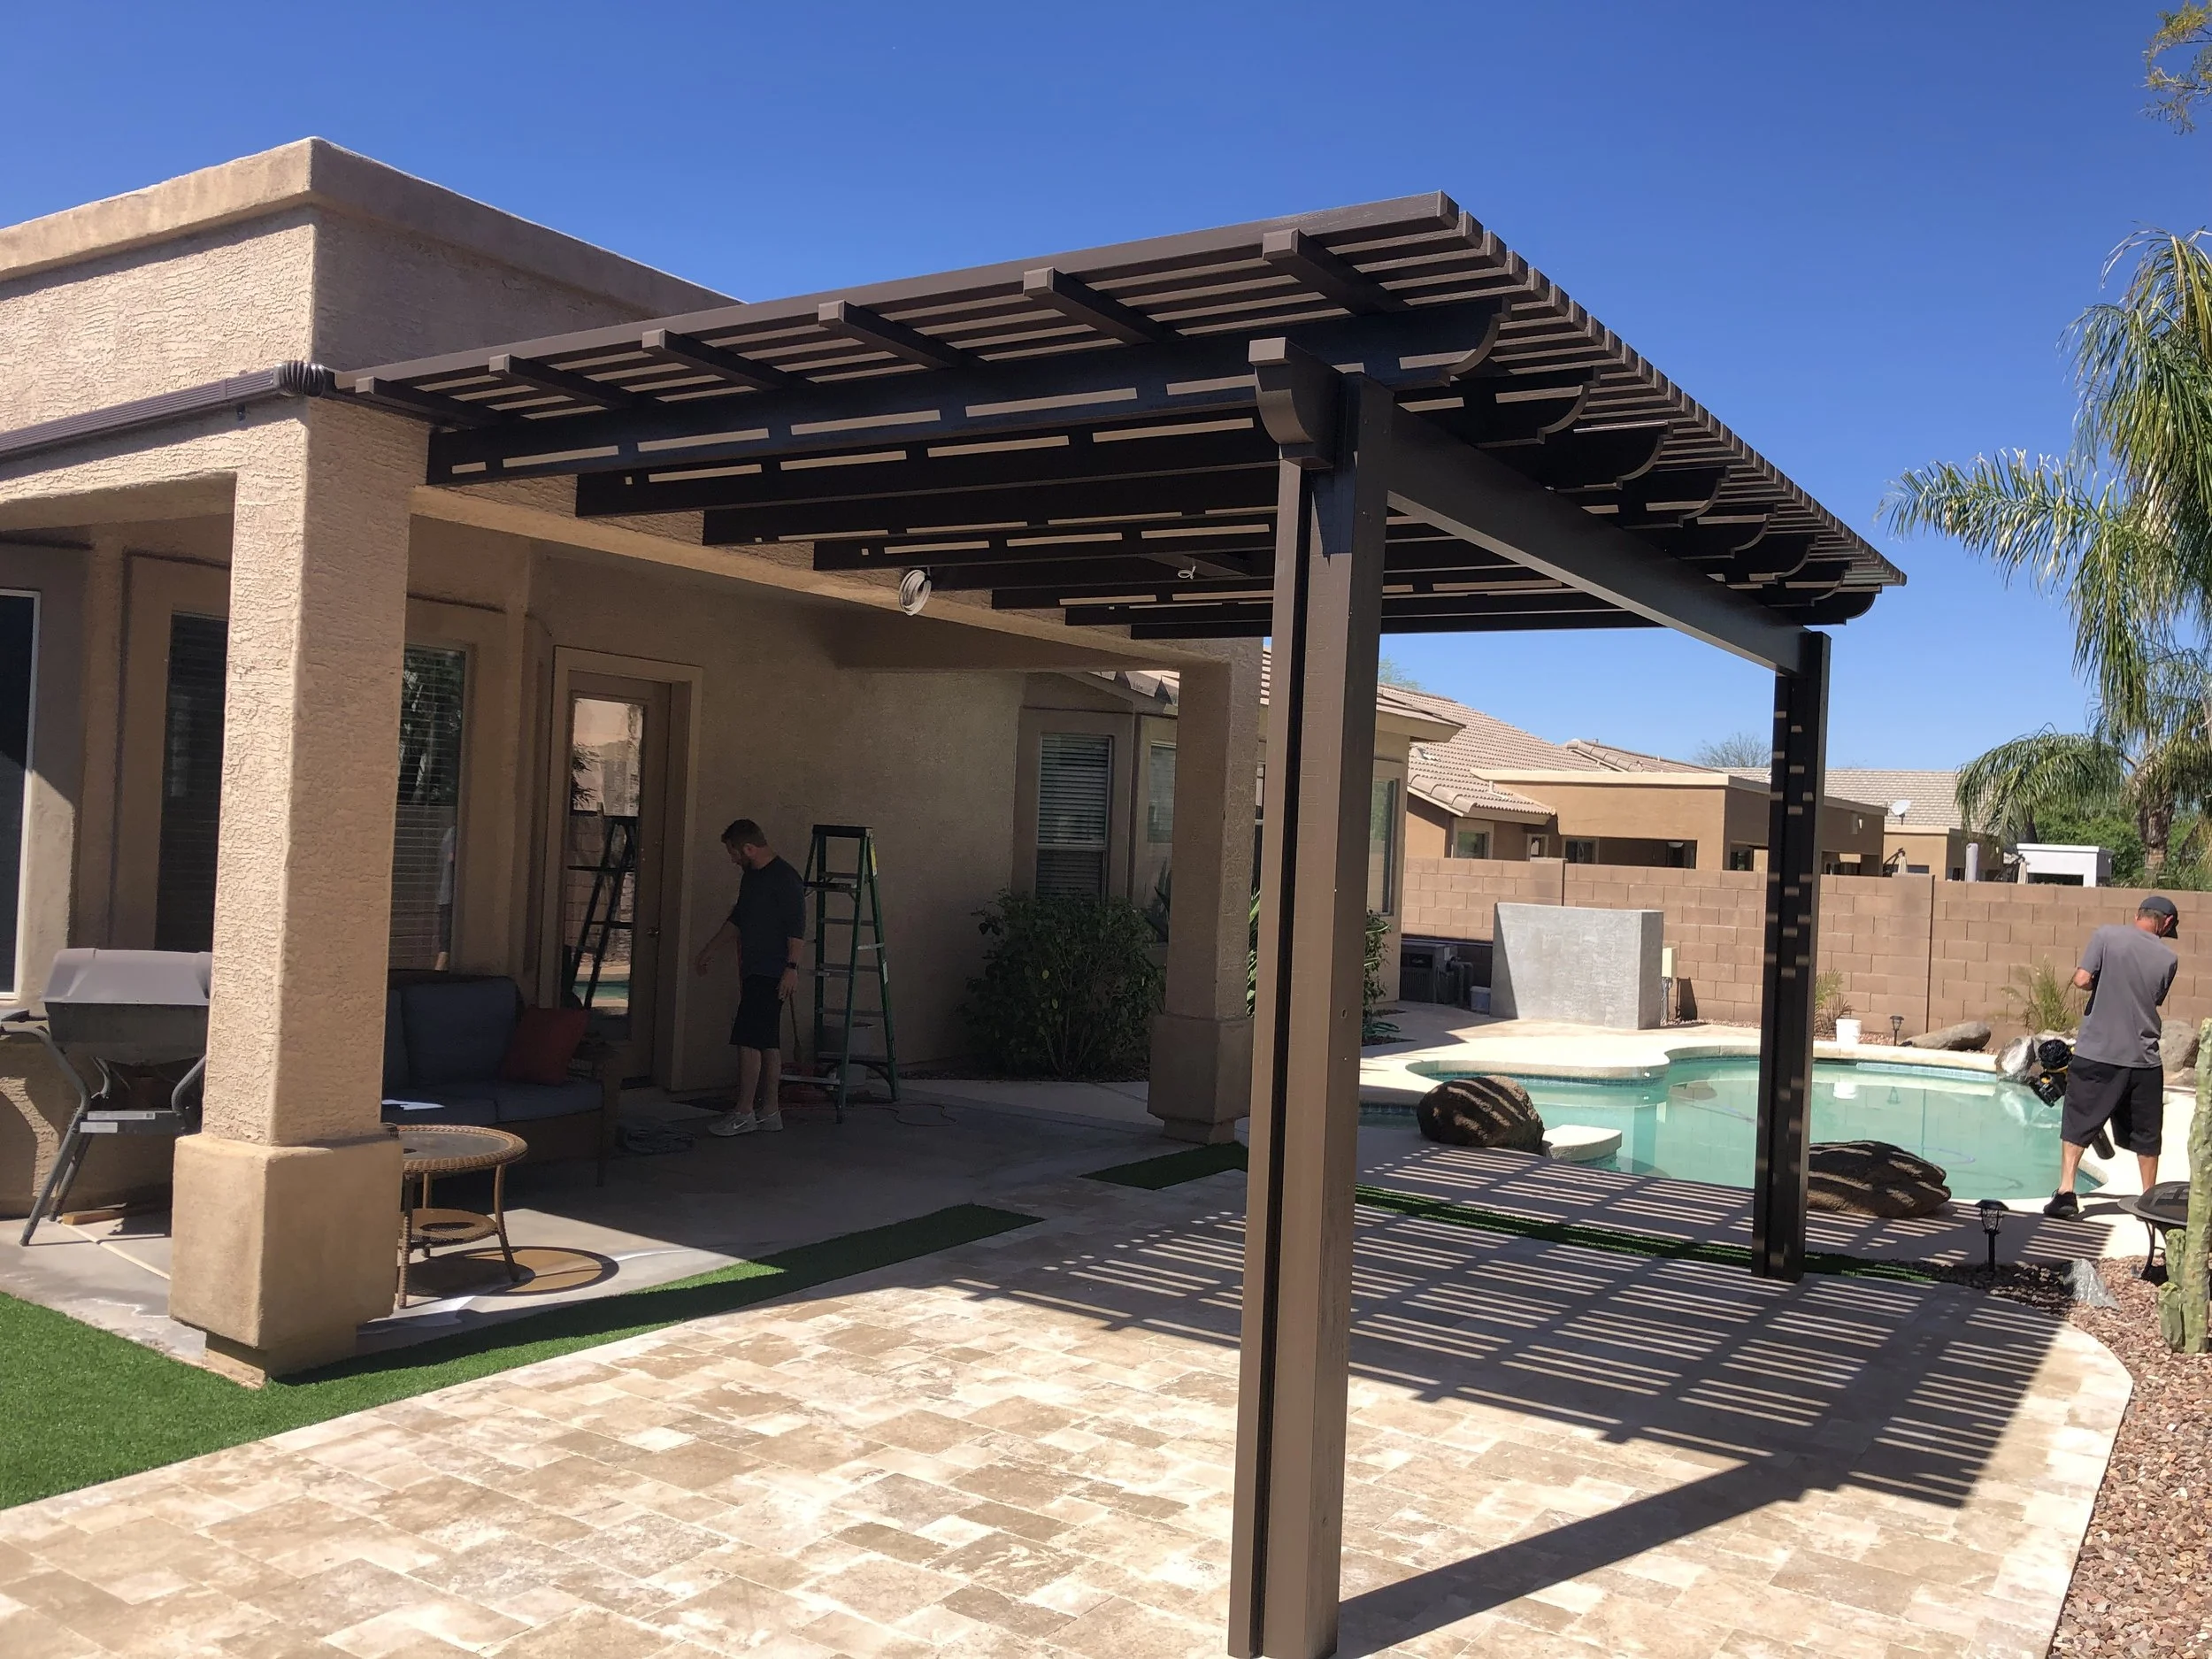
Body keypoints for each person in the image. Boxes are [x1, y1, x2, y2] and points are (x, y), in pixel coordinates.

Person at [2043, 894, 2180, 1218]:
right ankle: (2148, 1200)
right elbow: (2151, 998)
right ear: (2167, 923)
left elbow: (2082, 979)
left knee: (2078, 1121)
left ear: (2137, 915)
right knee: (2147, 1134)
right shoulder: (2169, 958)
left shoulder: (2106, 935)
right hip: (2143, 1059)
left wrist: (2099, 981)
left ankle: (2066, 1193)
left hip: (2098, 1052)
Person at [693, 818, 806, 1136]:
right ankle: (770, 1111)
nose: (733, 860)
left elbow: (797, 928)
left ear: (749, 848)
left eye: (734, 853)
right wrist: (710, 949)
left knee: (748, 1039)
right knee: (767, 1041)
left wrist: (791, 968)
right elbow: (739, 919)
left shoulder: (785, 878)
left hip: (771, 970)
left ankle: (744, 1112)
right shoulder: (752, 878)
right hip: (753, 967)